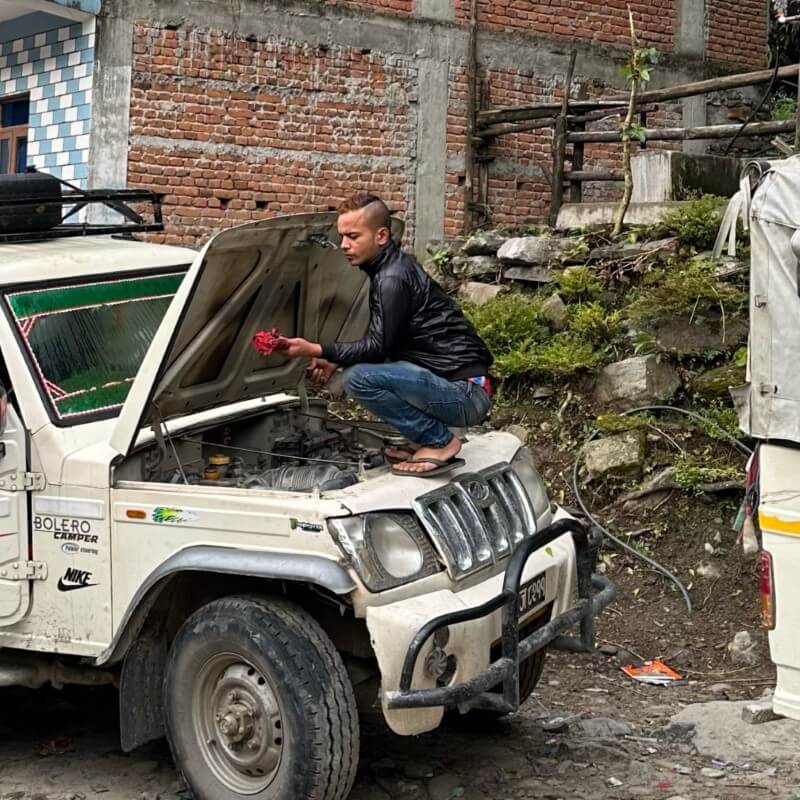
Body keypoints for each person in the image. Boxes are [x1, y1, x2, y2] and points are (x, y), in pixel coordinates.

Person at [278, 193, 494, 477]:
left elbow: (377, 347)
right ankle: (423, 441)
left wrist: (315, 350)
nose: (343, 245)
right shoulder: (393, 268)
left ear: (381, 236)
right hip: (464, 388)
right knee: (359, 369)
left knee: (357, 379)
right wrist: (335, 360)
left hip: (464, 395)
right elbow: (387, 341)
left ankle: (439, 441)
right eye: (342, 236)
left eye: (353, 236)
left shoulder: (391, 278)